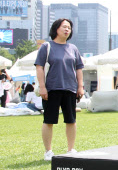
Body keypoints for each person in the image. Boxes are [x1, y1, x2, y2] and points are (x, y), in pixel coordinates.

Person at [34, 18, 85, 160]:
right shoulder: (46, 47)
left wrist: (80, 87)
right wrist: (42, 87)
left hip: (70, 88)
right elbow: (39, 67)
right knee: (49, 120)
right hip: (51, 89)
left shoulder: (73, 48)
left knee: (71, 120)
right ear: (56, 29)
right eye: (64, 27)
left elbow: (79, 69)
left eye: (69, 27)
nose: (67, 29)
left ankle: (70, 149)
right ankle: (48, 152)